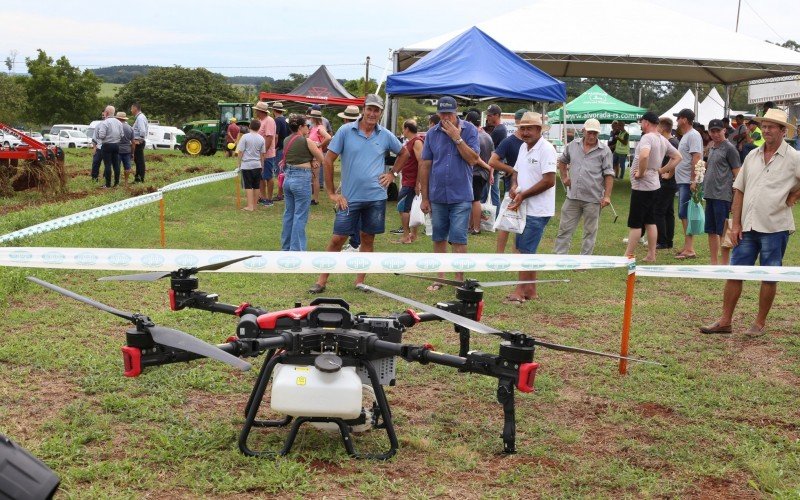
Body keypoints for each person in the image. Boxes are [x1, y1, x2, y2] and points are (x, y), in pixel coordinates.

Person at [700, 108, 800, 336]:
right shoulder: (752, 155)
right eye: (764, 126)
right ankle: (725, 321)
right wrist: (735, 225)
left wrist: (794, 195)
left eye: (771, 126)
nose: (766, 130)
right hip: (747, 226)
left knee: (769, 275)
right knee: (735, 271)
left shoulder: (794, 157)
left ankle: (760, 323)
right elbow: (739, 190)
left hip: (775, 227)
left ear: (783, 131)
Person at [308, 94, 407, 293]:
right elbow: (328, 160)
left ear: (381, 113)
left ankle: (360, 281)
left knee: (368, 239)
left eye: (376, 110)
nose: (372, 113)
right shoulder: (345, 131)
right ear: (363, 109)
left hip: (376, 198)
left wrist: (393, 174)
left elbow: (404, 153)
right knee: (337, 239)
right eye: (369, 109)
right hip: (349, 199)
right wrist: (331, 193)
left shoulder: (385, 135)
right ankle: (321, 281)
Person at [418, 97, 480, 288]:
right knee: (438, 237)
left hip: (460, 194)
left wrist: (457, 138)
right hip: (437, 195)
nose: (446, 117)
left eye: (449, 114)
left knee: (458, 238)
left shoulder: (469, 130)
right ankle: (440, 278)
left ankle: (459, 280)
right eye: (443, 114)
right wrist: (425, 197)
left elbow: (473, 159)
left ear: (457, 111)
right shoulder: (432, 134)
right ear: (437, 113)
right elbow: (426, 165)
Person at [505, 112, 557, 304]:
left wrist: (523, 194)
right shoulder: (523, 148)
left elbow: (549, 181)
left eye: (529, 128)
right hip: (524, 207)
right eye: (522, 128)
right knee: (525, 248)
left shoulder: (546, 149)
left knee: (525, 251)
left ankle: (519, 293)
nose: (525, 132)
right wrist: (514, 186)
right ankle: (531, 290)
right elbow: (516, 172)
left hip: (538, 209)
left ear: (538, 130)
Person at [624, 112, 681, 262]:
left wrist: (641, 172)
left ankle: (628, 254)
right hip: (654, 184)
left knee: (636, 223)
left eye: (642, 122)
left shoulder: (647, 137)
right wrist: (661, 170)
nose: (641, 125)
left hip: (642, 186)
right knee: (650, 221)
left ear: (647, 123)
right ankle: (651, 254)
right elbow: (677, 157)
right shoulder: (662, 139)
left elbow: (644, 156)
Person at [553, 118, 614, 255]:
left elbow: (609, 174)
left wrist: (607, 196)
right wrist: (564, 177)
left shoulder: (605, 151)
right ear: (583, 131)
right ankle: (559, 258)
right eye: (589, 132)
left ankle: (584, 261)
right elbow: (562, 161)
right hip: (572, 196)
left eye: (595, 133)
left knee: (590, 232)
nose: (592, 136)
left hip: (593, 198)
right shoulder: (572, 145)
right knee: (564, 229)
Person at [281, 114, 326, 250]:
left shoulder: (286, 140)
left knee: (289, 214)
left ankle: (286, 247)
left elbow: (296, 157)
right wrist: (314, 160)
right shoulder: (307, 141)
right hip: (301, 179)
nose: (308, 128)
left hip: (288, 178)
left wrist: (311, 160)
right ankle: (296, 251)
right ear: (301, 127)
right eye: (307, 126)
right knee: (300, 216)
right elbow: (322, 158)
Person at [703, 119, 741, 265]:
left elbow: (738, 174)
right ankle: (714, 263)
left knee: (723, 231)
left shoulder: (730, 149)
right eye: (712, 131)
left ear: (724, 131)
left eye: (718, 131)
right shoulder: (712, 147)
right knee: (711, 230)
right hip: (710, 195)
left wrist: (735, 197)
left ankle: (725, 264)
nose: (715, 134)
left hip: (723, 195)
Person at [488, 109, 526, 252]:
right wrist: (511, 170)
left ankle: (516, 251)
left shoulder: (533, 143)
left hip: (529, 188)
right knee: (506, 220)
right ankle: (500, 254)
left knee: (521, 221)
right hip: (512, 187)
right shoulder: (509, 141)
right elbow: (492, 161)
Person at [672, 108, 703, 259]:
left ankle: (690, 249)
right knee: (683, 214)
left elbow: (696, 157)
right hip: (683, 180)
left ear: (684, 119)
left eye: (678, 118)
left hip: (687, 181)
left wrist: (693, 180)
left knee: (686, 214)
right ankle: (687, 246)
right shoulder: (686, 136)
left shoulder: (693, 135)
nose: (677, 121)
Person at [390, 119, 423, 244]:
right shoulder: (412, 142)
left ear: (407, 129)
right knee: (411, 207)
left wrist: (417, 183)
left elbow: (421, 162)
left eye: (403, 129)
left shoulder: (417, 142)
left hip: (411, 181)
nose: (402, 131)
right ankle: (413, 235)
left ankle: (406, 236)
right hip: (408, 180)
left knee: (402, 207)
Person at [465, 110, 493, 235]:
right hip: (484, 174)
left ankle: (476, 228)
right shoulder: (487, 136)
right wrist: (491, 172)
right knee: (474, 200)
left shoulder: (474, 136)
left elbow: (475, 158)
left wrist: (487, 167)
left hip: (476, 172)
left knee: (475, 200)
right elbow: (493, 156)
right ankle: (471, 226)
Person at [653, 117, 679, 250]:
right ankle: (668, 241)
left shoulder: (671, 142)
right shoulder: (670, 141)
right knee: (668, 212)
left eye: (657, 127)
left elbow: (676, 159)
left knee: (659, 211)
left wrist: (669, 173)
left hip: (667, 182)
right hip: (669, 182)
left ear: (662, 128)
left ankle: (662, 241)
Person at [236, 119, 266, 212]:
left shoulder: (245, 137)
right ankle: (254, 205)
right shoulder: (261, 138)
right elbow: (262, 154)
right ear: (259, 128)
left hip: (247, 165)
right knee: (256, 186)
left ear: (249, 126)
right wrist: (262, 165)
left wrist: (238, 164)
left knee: (248, 186)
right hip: (257, 165)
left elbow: (240, 152)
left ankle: (249, 206)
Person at [483, 104, 507, 209]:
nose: (487, 118)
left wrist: (491, 169)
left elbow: (494, 152)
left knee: (488, 192)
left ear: (497, 115)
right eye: (487, 115)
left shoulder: (499, 130)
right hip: (495, 165)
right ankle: (494, 217)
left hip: (492, 166)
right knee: (493, 191)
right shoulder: (500, 129)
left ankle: (489, 216)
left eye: (490, 115)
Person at [253, 101, 277, 206]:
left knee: (268, 176)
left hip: (267, 154)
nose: (255, 112)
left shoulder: (269, 121)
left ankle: (269, 198)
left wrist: (263, 152)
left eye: (256, 110)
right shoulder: (260, 120)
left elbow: (269, 137)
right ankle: (263, 197)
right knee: (261, 177)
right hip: (259, 154)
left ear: (260, 111)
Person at [308, 109, 332, 205]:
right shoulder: (314, 127)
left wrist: (320, 145)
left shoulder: (320, 128)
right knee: (312, 177)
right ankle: (313, 197)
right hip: (312, 154)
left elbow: (328, 137)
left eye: (311, 117)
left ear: (314, 118)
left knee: (315, 178)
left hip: (316, 155)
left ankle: (315, 199)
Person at [95, 105, 123, 188]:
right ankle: (117, 183)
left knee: (107, 165)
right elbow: (122, 135)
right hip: (116, 145)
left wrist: (101, 136)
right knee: (116, 165)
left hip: (107, 145)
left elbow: (102, 135)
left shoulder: (105, 122)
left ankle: (108, 184)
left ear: (106, 113)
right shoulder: (119, 122)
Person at [272, 102, 290, 201]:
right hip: (287, 148)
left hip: (279, 149)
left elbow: (276, 136)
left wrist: (274, 147)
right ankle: (284, 192)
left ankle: (280, 194)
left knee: (279, 172)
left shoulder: (277, 121)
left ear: (274, 110)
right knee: (285, 171)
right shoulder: (286, 120)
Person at [130, 102, 148, 183]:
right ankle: (137, 178)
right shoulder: (140, 117)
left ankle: (140, 179)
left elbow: (143, 131)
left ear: (135, 108)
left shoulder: (140, 118)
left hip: (138, 142)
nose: (131, 110)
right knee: (137, 160)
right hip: (138, 141)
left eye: (131, 108)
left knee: (139, 161)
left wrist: (139, 140)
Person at [116, 111, 134, 184]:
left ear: (118, 119)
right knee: (127, 167)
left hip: (117, 150)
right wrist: (132, 152)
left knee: (117, 166)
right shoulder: (130, 128)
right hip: (127, 150)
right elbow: (133, 142)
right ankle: (126, 182)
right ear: (125, 119)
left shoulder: (116, 127)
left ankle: (117, 181)